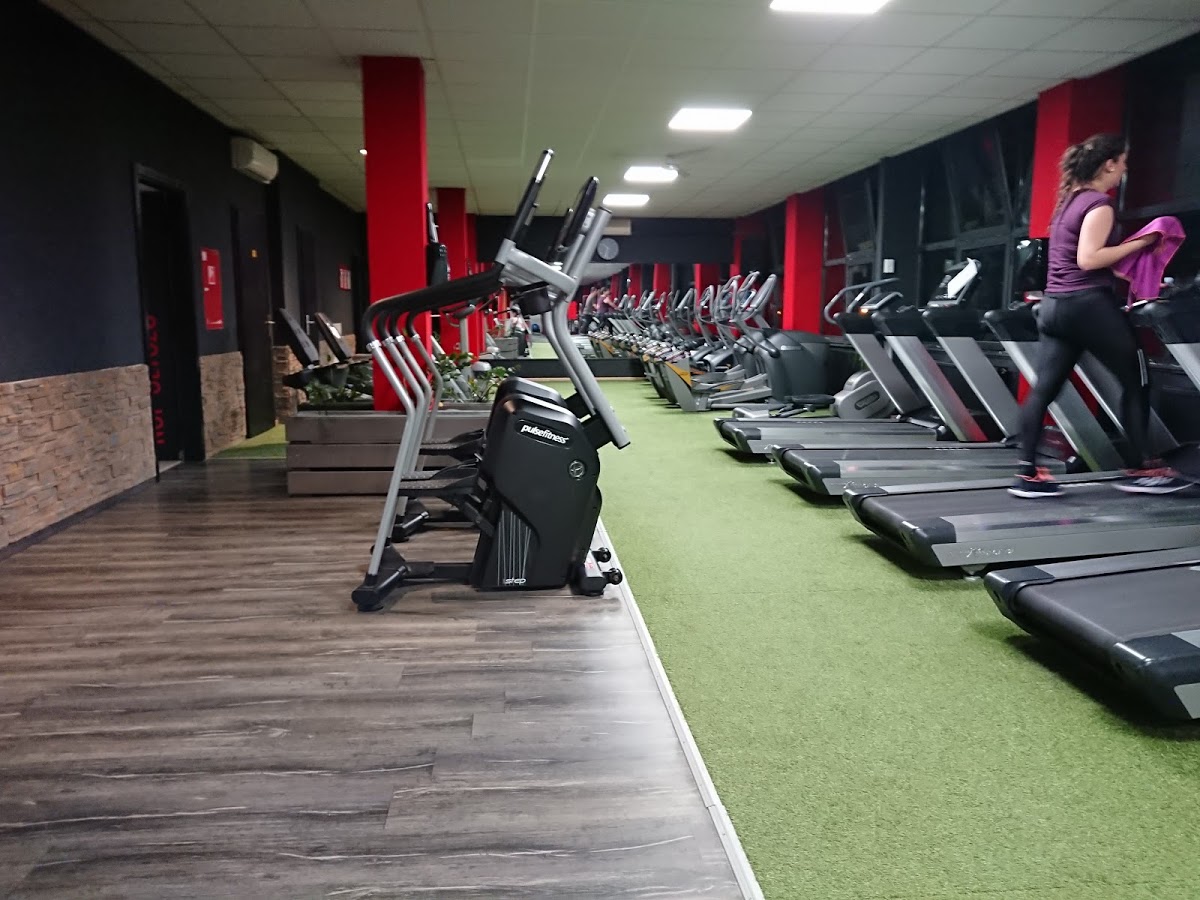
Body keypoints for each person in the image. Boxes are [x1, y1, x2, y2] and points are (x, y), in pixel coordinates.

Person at [1009, 133, 1189, 498]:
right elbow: (1089, 259)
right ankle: (1144, 466)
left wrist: (1129, 270)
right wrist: (1142, 242)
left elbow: (1081, 259)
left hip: (1055, 306)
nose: (1124, 170)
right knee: (1136, 380)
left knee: (1044, 389)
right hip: (1087, 306)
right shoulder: (1098, 204)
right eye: (1122, 163)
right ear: (1109, 164)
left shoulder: (1068, 203)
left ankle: (1027, 473)